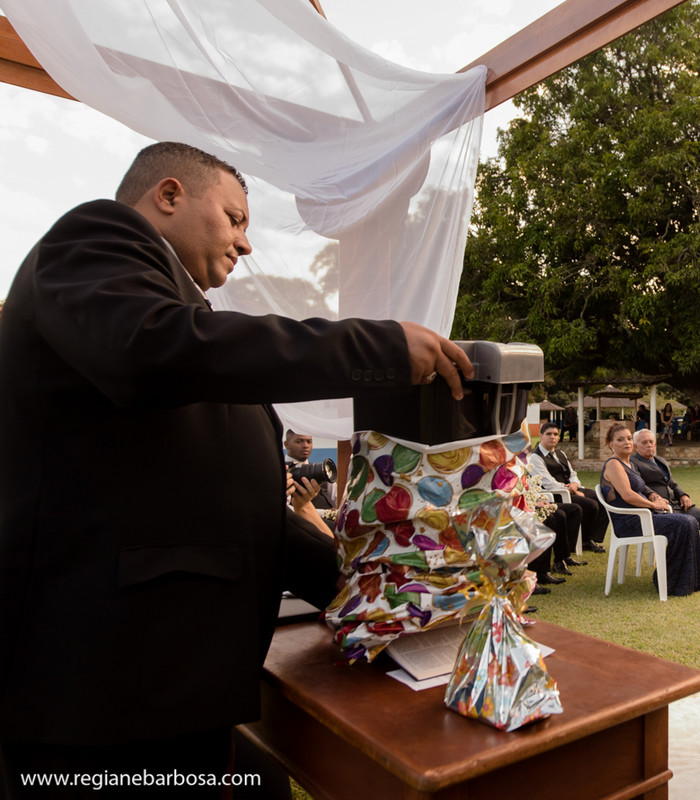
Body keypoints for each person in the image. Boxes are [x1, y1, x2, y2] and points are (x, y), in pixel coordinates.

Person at [0, 141, 474, 795]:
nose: (246, 244)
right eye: (235, 218)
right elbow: (151, 350)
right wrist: (376, 345)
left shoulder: (187, 322)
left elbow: (245, 516)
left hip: (170, 686)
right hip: (99, 692)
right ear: (169, 196)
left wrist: (391, 599)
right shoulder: (95, 239)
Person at [600, 423, 700, 595]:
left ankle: (692, 579)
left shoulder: (629, 463)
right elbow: (628, 495)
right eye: (620, 439)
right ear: (611, 444)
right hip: (630, 521)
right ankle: (668, 580)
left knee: (688, 522)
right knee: (686, 522)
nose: (627, 442)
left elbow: (642, 489)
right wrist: (654, 505)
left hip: (644, 516)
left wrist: (653, 496)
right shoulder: (614, 464)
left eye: (629, 438)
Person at [630, 427, 700, 581]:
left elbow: (672, 483)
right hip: (663, 510)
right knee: (690, 525)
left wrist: (683, 494)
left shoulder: (660, 461)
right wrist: (651, 494)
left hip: (679, 505)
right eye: (644, 443)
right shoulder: (633, 463)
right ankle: (699, 570)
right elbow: (639, 484)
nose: (649, 445)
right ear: (636, 446)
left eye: (651, 442)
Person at [528, 421, 608, 555]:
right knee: (591, 505)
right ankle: (580, 542)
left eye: (555, 434)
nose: (552, 437)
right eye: (548, 434)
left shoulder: (560, 454)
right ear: (541, 436)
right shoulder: (535, 457)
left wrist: (575, 484)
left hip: (571, 488)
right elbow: (548, 483)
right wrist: (573, 490)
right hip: (556, 493)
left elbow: (573, 474)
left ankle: (589, 539)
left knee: (602, 498)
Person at [284, 429, 336, 508]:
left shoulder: (323, 471)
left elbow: (337, 500)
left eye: (309, 441)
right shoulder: (279, 472)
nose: (305, 445)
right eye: (299, 441)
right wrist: (323, 514)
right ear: (286, 444)